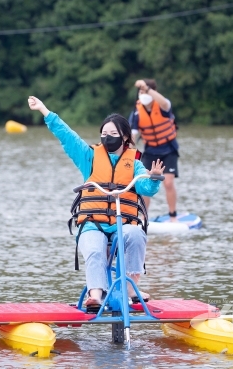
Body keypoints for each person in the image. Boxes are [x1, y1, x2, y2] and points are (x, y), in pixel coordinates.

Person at [27, 96, 164, 310]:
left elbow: (146, 188)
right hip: (93, 222)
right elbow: (67, 136)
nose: (107, 138)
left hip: (124, 223)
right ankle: (95, 294)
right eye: (104, 134)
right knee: (95, 247)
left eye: (113, 135)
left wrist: (154, 178)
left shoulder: (135, 164)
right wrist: (45, 110)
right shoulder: (89, 157)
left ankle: (130, 287)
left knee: (137, 235)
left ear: (125, 137)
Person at [130, 79, 179, 222]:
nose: (143, 94)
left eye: (145, 92)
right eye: (141, 92)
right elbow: (133, 135)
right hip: (150, 150)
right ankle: (143, 216)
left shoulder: (162, 106)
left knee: (168, 183)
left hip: (168, 149)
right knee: (145, 183)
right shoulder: (137, 113)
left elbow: (165, 103)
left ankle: (173, 216)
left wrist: (147, 88)